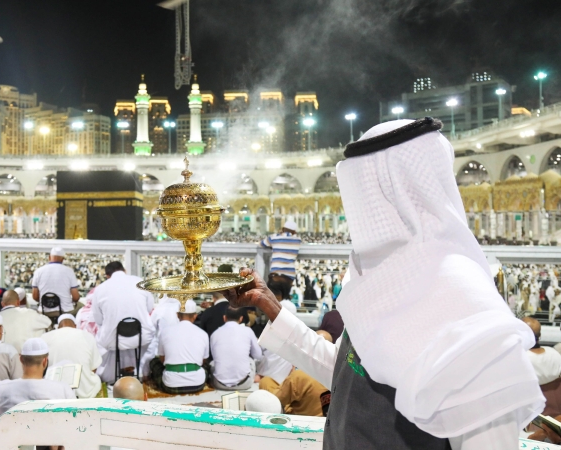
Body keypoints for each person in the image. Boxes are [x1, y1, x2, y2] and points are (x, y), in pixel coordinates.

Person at [225, 118, 544, 449]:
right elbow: (353, 375)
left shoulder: (464, 308)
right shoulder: (383, 286)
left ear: (397, 194)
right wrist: (271, 308)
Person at [92, 261, 154, 383]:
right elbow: (149, 308)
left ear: (107, 276)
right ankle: (142, 372)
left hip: (113, 340)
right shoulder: (140, 282)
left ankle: (108, 376)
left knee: (99, 338)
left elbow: (98, 320)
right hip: (141, 336)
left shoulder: (100, 289)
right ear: (124, 270)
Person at [0, 337, 75, 420]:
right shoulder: (63, 390)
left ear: (21, 359)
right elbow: (74, 420)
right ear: (45, 361)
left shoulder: (0, 388)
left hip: (10, 437)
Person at [259, 330, 330, 417]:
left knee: (265, 382)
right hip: (325, 419)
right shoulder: (339, 373)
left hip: (301, 420)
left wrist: (292, 376)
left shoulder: (300, 375)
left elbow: (277, 400)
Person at [152, 300, 209, 394]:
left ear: (177, 315)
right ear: (195, 316)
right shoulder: (203, 334)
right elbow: (203, 361)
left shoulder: (165, 332)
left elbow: (162, 359)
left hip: (170, 385)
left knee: (154, 362)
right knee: (207, 366)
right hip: (197, 384)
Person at [41, 313, 102, 398]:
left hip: (54, 391)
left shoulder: (45, 337)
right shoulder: (87, 335)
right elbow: (94, 368)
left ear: (58, 327)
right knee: (95, 379)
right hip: (84, 391)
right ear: (75, 326)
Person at [210, 306, 262, 390]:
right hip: (244, 384)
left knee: (213, 363)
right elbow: (258, 356)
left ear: (224, 318)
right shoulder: (248, 331)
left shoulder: (215, 333)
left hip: (219, 384)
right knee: (251, 360)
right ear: (241, 319)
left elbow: (214, 356)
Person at [31, 247, 81, 320]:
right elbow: (76, 297)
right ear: (62, 259)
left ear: (49, 257)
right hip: (66, 311)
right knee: (82, 307)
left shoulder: (38, 271)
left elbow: (35, 297)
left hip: (44, 311)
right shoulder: (69, 271)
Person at [141, 294, 180, 380]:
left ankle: (147, 376)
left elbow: (150, 334)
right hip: (183, 357)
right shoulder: (184, 310)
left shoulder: (159, 310)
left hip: (163, 359)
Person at [260, 220, 302, 296]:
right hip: (289, 275)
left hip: (276, 274)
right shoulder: (297, 239)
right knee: (285, 297)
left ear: (282, 229)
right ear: (294, 232)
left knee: (274, 299)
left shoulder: (274, 237)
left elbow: (262, 243)